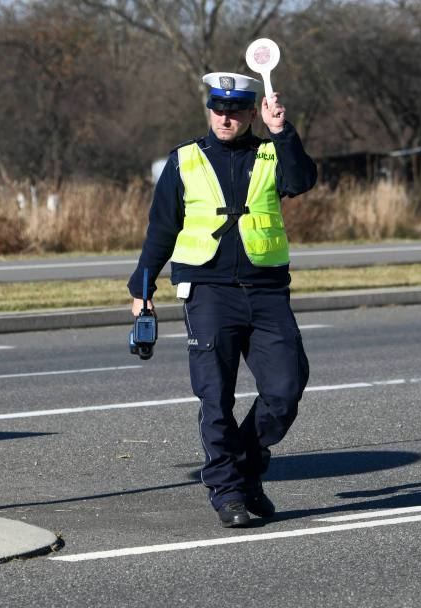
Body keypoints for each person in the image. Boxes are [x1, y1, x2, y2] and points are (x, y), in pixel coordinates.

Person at [128, 71, 317, 527]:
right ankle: (228, 491)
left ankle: (247, 468)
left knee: (285, 390)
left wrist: (282, 131)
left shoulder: (272, 152)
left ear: (252, 112)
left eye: (235, 110)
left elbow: (302, 180)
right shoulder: (185, 160)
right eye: (218, 109)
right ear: (209, 110)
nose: (225, 117)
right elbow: (161, 229)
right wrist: (142, 289)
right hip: (208, 292)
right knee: (216, 397)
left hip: (267, 290)